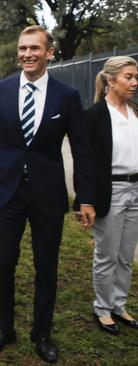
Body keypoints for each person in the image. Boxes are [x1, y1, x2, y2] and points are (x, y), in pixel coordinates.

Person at [0, 25, 95, 363]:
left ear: (49, 53)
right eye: (22, 48)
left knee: (47, 267)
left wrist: (84, 197)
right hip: (6, 193)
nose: (26, 54)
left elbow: (83, 151)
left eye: (34, 48)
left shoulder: (67, 97)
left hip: (47, 195)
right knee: (2, 262)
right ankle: (4, 328)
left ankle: (41, 333)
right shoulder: (0, 92)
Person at [74, 56, 138, 335]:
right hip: (111, 191)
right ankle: (102, 308)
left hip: (136, 189)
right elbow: (85, 162)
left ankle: (118, 305)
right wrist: (84, 200)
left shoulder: (135, 111)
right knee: (108, 254)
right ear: (111, 80)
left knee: (125, 255)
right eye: (128, 77)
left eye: (136, 77)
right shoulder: (96, 115)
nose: (134, 82)